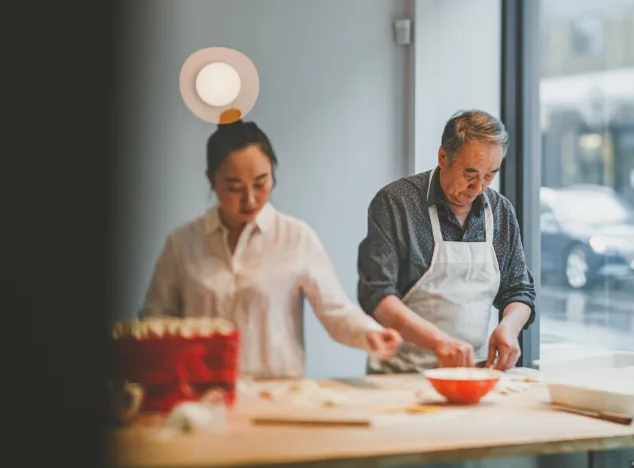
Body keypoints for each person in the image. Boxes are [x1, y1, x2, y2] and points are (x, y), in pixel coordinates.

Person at [141, 120, 401, 379]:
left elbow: (335, 311)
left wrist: (371, 334)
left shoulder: (296, 237)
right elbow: (155, 321)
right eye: (234, 187)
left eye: (260, 183)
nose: (250, 199)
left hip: (276, 392)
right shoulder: (183, 242)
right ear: (211, 180)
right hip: (203, 393)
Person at [357, 109, 536, 373]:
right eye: (470, 173)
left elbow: (519, 291)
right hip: (403, 373)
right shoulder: (397, 203)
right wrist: (439, 341)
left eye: (490, 174)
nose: (478, 187)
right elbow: (377, 295)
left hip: (473, 373)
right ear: (443, 157)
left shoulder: (500, 212)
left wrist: (509, 326)